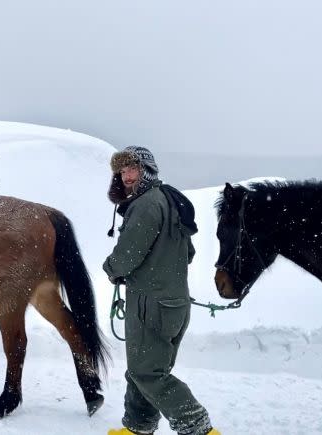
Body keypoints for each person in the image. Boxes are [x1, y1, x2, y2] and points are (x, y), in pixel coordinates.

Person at [103, 147, 219, 435]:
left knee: (147, 372)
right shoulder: (169, 199)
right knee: (144, 369)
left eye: (132, 169)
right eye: (122, 171)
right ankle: (138, 427)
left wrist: (111, 269)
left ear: (147, 170)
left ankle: (199, 428)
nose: (126, 176)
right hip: (174, 303)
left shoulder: (146, 204)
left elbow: (126, 257)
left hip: (150, 304)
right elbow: (188, 252)